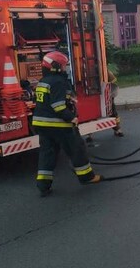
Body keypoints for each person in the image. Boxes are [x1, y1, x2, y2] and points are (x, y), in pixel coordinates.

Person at [32, 50, 101, 196]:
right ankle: (87, 177)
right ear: (56, 66)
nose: (65, 69)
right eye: (63, 66)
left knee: (47, 154)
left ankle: (43, 185)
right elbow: (58, 105)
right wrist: (71, 117)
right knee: (77, 149)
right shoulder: (58, 82)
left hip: (42, 125)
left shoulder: (43, 82)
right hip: (59, 125)